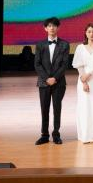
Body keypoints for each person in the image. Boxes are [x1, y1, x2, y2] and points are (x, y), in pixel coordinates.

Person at [34, 17, 70, 145]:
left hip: (58, 82)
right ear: (45, 28)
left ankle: (56, 134)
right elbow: (37, 64)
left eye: (54, 26)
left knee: (57, 108)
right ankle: (44, 135)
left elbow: (64, 64)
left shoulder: (65, 44)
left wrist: (54, 78)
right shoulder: (40, 45)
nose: (52, 28)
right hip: (43, 82)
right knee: (44, 109)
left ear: (58, 28)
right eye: (49, 26)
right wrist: (46, 78)